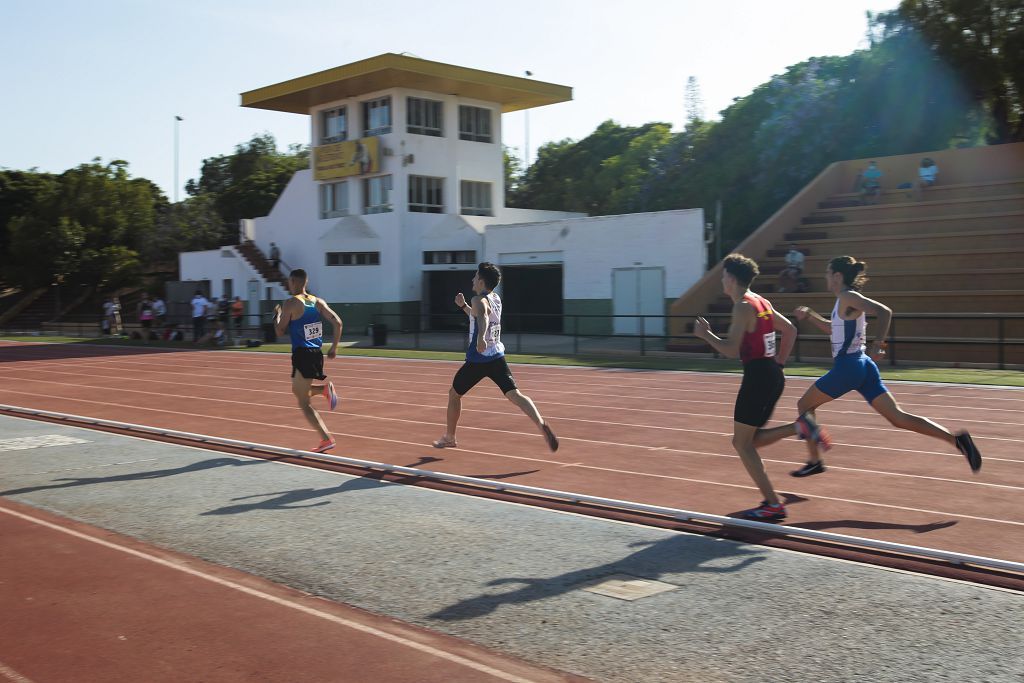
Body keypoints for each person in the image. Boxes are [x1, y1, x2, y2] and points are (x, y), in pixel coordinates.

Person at [788, 255, 982, 477]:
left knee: (804, 405)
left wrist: (879, 343)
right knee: (898, 417)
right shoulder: (845, 300)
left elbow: (884, 311)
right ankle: (957, 440)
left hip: (848, 367)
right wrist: (810, 316)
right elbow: (834, 329)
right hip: (863, 366)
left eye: (827, 273)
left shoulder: (847, 296)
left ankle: (815, 461)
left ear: (838, 276)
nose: (825, 277)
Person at [693, 254, 798, 521]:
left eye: (723, 275)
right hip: (773, 374)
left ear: (731, 278)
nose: (721, 280)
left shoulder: (742, 306)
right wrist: (780, 363)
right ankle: (798, 428)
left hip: (757, 377)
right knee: (751, 440)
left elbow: (729, 351)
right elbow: (791, 330)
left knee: (741, 443)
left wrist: (706, 335)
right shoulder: (762, 301)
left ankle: (773, 504)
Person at [433, 262, 559, 452]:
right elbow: (477, 315)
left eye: (475, 276)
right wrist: (463, 306)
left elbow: (482, 316)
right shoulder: (496, 298)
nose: (472, 279)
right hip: (497, 357)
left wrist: (481, 338)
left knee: (454, 394)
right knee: (515, 394)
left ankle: (450, 437)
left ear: (482, 282)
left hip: (478, 359)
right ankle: (541, 423)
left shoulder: (479, 300)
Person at [273, 268, 342, 454]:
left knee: (303, 402)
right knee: (297, 390)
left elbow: (279, 331)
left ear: (294, 282)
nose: (288, 285)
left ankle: (326, 439)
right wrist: (334, 348)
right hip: (316, 353)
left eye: (289, 282)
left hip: (302, 354)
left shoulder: (290, 303)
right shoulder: (317, 302)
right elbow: (338, 322)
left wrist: (277, 316)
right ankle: (324, 390)